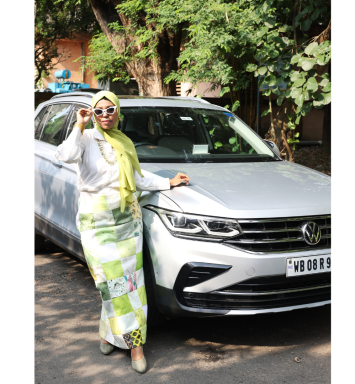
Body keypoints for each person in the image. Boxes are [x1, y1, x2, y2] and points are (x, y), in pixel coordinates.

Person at [55, 91, 190, 374]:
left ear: (118, 111)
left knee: (129, 282)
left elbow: (137, 179)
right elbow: (65, 155)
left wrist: (168, 182)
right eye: (99, 110)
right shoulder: (85, 138)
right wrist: (79, 125)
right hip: (97, 222)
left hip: (127, 220)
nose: (105, 115)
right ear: (92, 112)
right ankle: (133, 342)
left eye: (110, 109)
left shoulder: (124, 141)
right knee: (109, 281)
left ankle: (114, 336)